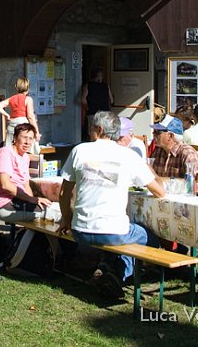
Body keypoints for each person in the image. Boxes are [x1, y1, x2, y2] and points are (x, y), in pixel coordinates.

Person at [58, 111, 165, 298]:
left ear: (98, 130)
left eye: (91, 128)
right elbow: (159, 192)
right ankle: (119, 275)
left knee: (126, 233)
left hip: (80, 230)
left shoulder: (79, 150)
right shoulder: (128, 156)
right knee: (149, 237)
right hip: (113, 232)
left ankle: (107, 267)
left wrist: (66, 220)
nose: (89, 131)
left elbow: (63, 193)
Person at [0, 123, 52, 223]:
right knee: (51, 214)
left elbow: (26, 184)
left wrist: (33, 200)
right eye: (24, 137)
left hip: (20, 200)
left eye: (31, 138)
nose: (27, 142)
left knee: (51, 207)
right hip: (5, 204)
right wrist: (32, 200)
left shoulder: (25, 157)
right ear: (15, 138)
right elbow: (5, 185)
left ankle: (30, 237)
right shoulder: (5, 153)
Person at [0, 77, 40, 146]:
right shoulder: (28, 99)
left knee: (9, 148)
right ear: (28, 88)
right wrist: (36, 132)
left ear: (16, 87)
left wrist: (7, 115)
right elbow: (30, 117)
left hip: (12, 124)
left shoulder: (12, 98)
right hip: (23, 125)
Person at [80, 68, 113, 138]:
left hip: (93, 113)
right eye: (101, 76)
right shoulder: (106, 86)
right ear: (99, 77)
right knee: (105, 133)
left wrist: (87, 107)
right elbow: (111, 100)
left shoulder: (87, 86)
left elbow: (83, 99)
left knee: (93, 133)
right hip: (105, 113)